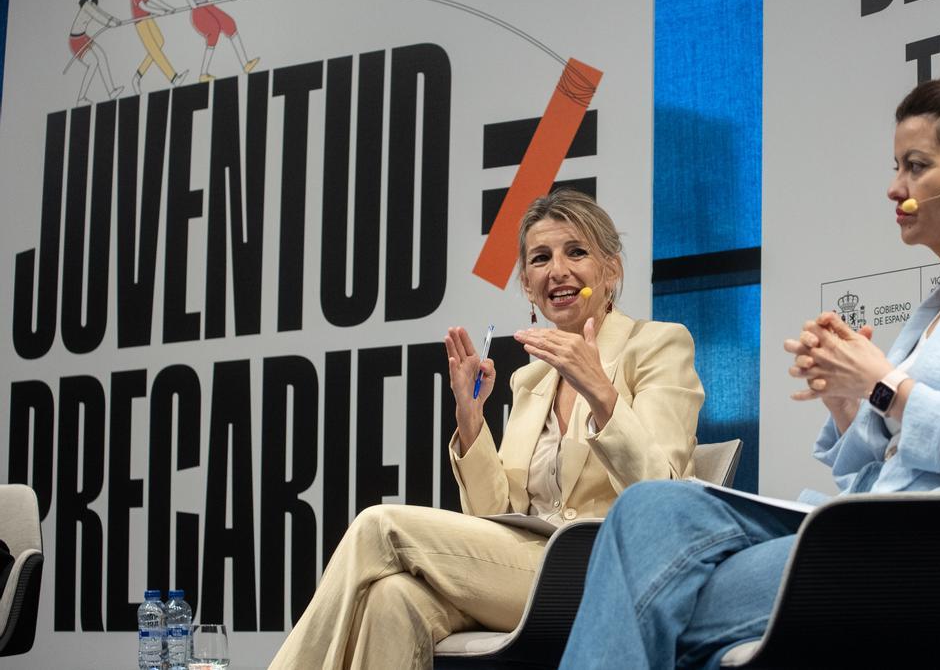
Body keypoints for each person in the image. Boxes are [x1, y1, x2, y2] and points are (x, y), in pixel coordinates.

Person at [558, 75, 940, 670]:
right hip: (870, 533)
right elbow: (885, 463)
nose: (896, 188)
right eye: (897, 166)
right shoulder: (938, 306)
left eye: (916, 167)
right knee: (650, 509)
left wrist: (883, 385)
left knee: (659, 601)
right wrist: (848, 400)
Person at [269, 189, 704, 669]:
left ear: (610, 270)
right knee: (391, 598)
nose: (557, 270)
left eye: (575, 252)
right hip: (526, 570)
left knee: (379, 524)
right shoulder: (530, 379)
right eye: (540, 258)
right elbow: (496, 516)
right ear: (527, 284)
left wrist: (602, 393)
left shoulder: (659, 344)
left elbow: (664, 497)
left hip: (603, 572)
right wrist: (471, 419)